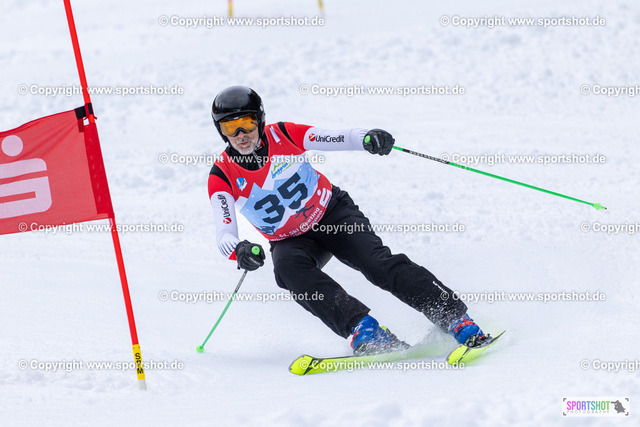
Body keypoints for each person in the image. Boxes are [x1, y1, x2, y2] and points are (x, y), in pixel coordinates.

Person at [207, 86, 487, 355]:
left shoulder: (284, 135)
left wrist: (367, 138)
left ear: (260, 120)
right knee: (287, 271)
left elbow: (335, 137)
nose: (241, 134)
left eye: (247, 123)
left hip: (332, 214)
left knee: (375, 263)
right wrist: (239, 250)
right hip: (290, 240)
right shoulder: (222, 175)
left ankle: (454, 317)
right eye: (230, 127)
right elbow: (224, 234)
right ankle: (365, 331)